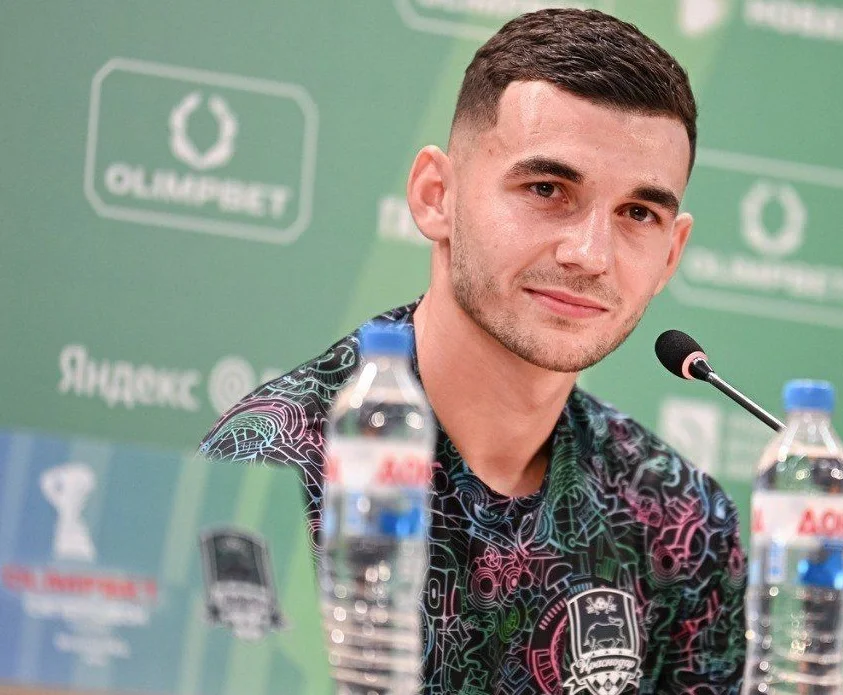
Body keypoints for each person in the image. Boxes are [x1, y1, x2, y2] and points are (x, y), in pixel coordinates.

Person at [199, 8, 746, 694]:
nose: (590, 254)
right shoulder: (280, 464)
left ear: (671, 253)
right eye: (547, 189)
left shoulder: (678, 518)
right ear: (437, 196)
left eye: (638, 213)